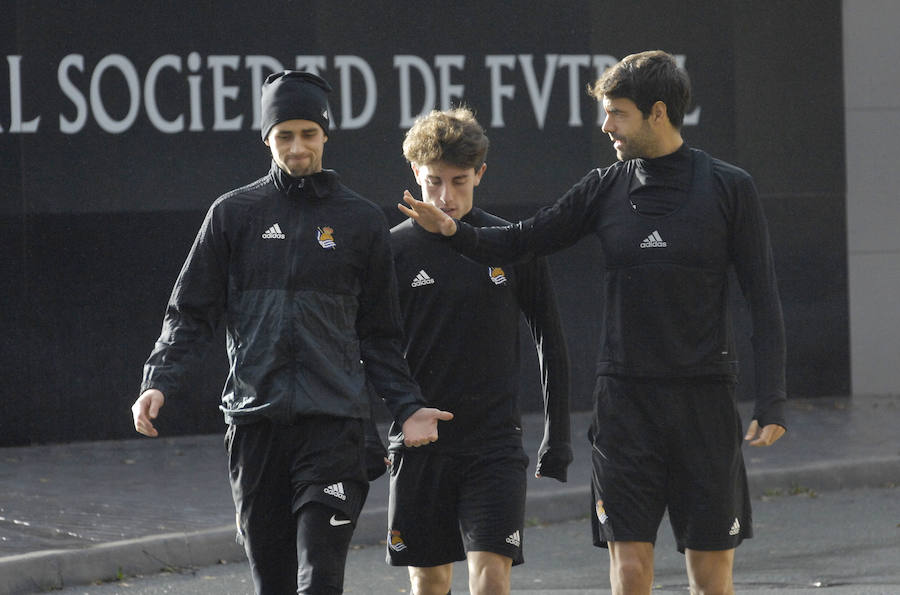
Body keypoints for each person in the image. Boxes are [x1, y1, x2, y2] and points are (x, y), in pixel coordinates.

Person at [399, 51, 786, 595]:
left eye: (617, 113)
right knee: (629, 571)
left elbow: (763, 299)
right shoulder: (605, 185)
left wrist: (772, 398)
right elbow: (521, 240)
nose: (605, 126)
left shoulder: (729, 187)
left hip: (705, 402)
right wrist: (453, 233)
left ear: (657, 113)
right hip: (624, 404)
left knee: (712, 577)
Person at [131, 70, 453, 595]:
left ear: (326, 133)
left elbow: (380, 334)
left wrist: (406, 404)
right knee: (274, 584)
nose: (297, 146)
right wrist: (157, 380)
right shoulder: (231, 214)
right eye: (284, 134)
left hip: (335, 426)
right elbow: (190, 312)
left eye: (308, 132)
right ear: (267, 138)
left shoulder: (360, 220)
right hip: (256, 427)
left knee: (320, 578)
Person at [386, 107, 572, 595]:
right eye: (433, 182)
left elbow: (549, 338)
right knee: (428, 584)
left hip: (494, 444)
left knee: (491, 581)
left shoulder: (510, 244)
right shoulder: (391, 253)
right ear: (414, 174)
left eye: (460, 182)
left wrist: (559, 434)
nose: (446, 197)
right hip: (422, 444)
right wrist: (401, 413)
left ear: (481, 174)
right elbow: (371, 348)